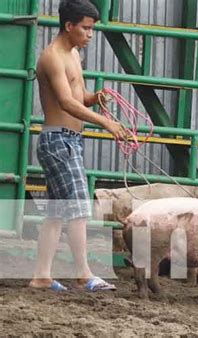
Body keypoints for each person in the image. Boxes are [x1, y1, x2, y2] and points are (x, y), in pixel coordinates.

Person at [29, 0, 128, 291]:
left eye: (91, 29)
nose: (90, 34)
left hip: (67, 140)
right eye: (85, 28)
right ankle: (84, 273)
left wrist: (94, 97)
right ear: (69, 26)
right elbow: (64, 101)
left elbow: (77, 95)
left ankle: (41, 276)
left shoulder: (72, 54)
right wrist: (106, 122)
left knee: (57, 213)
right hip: (59, 140)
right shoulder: (52, 57)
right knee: (79, 207)